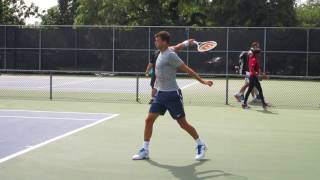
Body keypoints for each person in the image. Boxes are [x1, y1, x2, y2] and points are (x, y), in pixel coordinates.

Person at [133, 31, 213, 161]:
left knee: (183, 124)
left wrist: (202, 81)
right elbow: (179, 46)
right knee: (149, 120)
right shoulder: (164, 51)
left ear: (164, 42)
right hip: (160, 94)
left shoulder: (170, 56)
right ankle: (145, 150)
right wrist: (189, 42)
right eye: (155, 40)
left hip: (172, 95)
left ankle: (201, 144)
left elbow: (187, 69)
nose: (155, 42)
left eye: (157, 40)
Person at [145, 39, 196, 104]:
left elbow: (179, 46)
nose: (156, 43)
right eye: (156, 41)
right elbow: (151, 63)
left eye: (158, 41)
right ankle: (153, 99)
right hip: (156, 74)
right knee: (154, 85)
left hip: (169, 84)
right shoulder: (155, 53)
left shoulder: (170, 52)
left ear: (164, 43)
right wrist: (147, 71)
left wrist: (188, 42)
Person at [242, 42, 268, 109]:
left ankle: (244, 104)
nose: (260, 54)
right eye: (259, 53)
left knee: (249, 90)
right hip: (253, 77)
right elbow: (251, 68)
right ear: (256, 53)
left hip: (252, 77)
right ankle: (263, 104)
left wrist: (261, 74)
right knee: (260, 90)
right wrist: (257, 75)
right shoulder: (253, 59)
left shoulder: (254, 58)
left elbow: (255, 68)